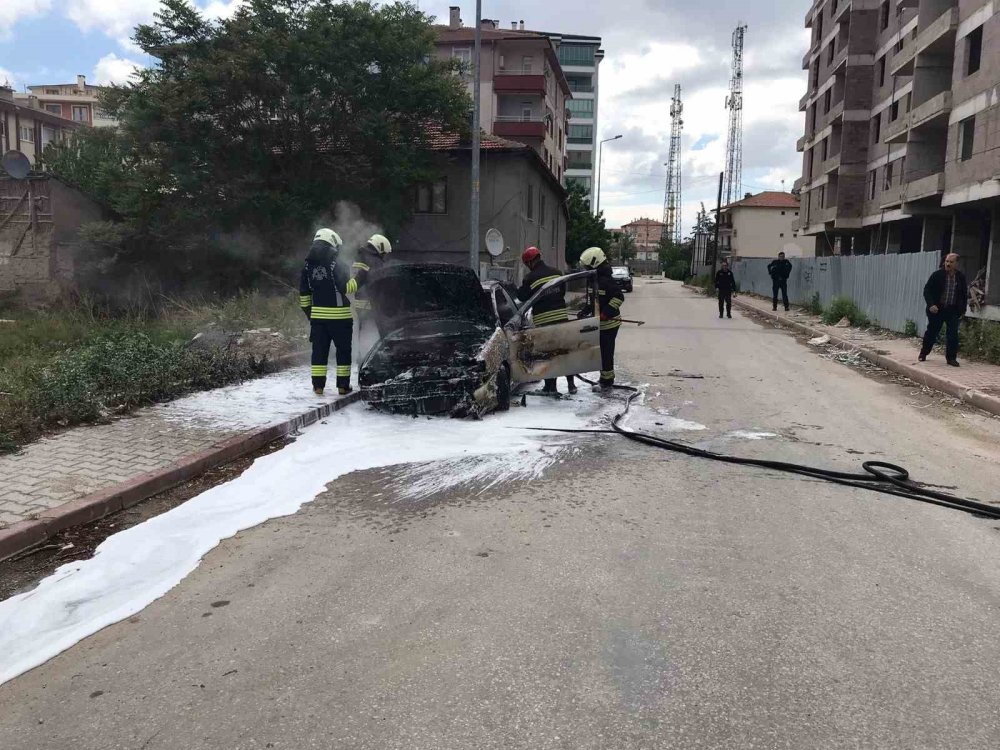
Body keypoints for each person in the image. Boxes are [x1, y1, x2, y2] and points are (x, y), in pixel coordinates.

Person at [299, 228, 353, 396]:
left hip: (318, 320)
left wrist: (312, 316)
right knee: (343, 352)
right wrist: (360, 280)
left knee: (319, 353)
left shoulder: (307, 266)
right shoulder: (338, 264)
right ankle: (343, 387)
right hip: (341, 319)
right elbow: (346, 288)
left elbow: (304, 297)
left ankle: (318, 387)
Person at [517, 246, 577, 395]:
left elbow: (522, 297)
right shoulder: (557, 273)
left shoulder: (530, 278)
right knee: (564, 352)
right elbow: (562, 291)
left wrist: (516, 288)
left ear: (530, 262)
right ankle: (571, 385)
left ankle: (550, 387)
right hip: (561, 317)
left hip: (544, 321)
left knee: (548, 354)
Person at [579, 246, 624, 391]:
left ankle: (607, 380)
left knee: (606, 351)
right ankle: (604, 377)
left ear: (594, 263)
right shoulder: (593, 281)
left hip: (610, 323)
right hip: (599, 323)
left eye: (587, 266)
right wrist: (585, 311)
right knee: (601, 352)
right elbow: (593, 301)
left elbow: (619, 297)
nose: (585, 269)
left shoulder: (606, 281)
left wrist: (606, 313)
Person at [919, 253, 968, 367]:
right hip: (937, 309)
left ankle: (951, 358)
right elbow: (927, 290)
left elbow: (963, 295)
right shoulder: (937, 275)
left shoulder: (960, 277)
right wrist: (931, 304)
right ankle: (924, 353)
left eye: (951, 262)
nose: (948, 264)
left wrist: (962, 310)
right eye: (947, 261)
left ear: (956, 264)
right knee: (932, 332)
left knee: (952, 335)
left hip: (952, 310)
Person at [346, 234, 392, 354]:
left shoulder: (360, 257)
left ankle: (361, 356)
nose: (384, 257)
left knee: (362, 332)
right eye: (384, 253)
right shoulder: (373, 261)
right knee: (379, 333)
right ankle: (376, 357)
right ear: (380, 248)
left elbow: (357, 280)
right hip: (372, 305)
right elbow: (380, 284)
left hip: (360, 304)